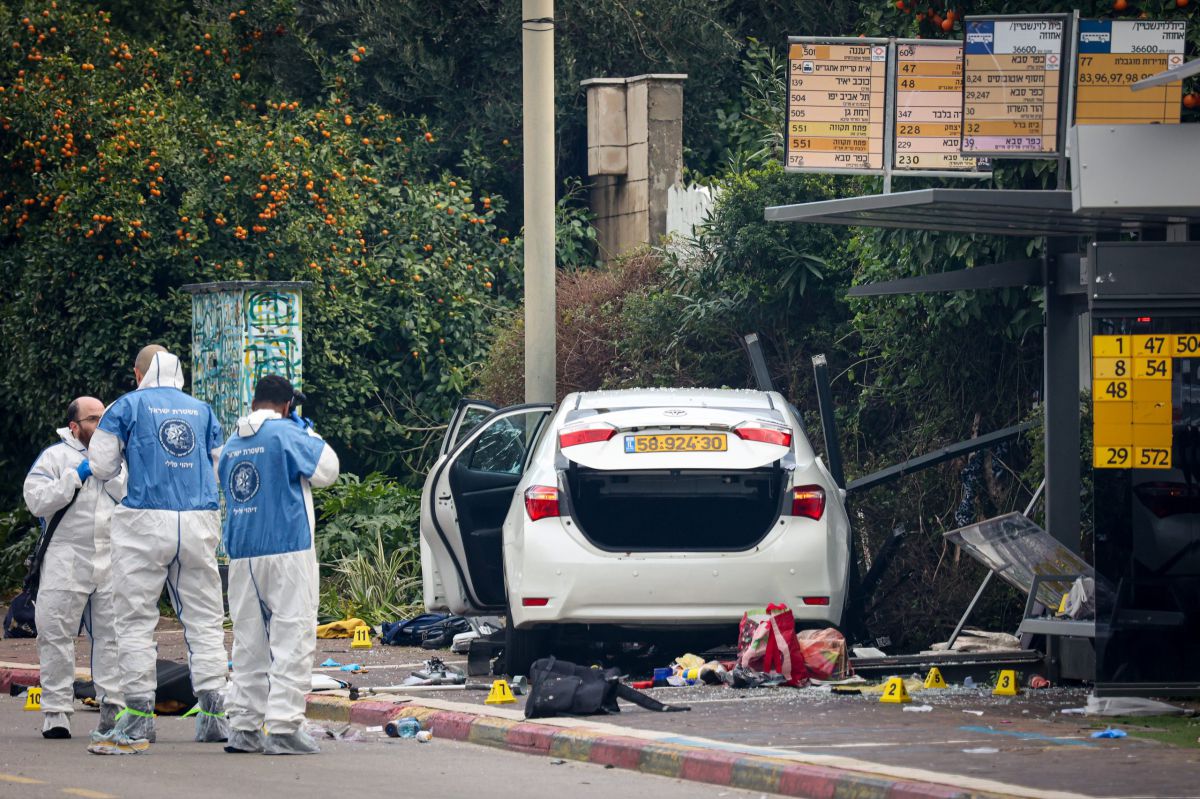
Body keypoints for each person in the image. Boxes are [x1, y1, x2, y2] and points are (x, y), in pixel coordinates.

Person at [86, 346, 230, 755]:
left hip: (144, 522)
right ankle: (214, 716)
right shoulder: (203, 410)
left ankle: (139, 720)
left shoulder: (125, 406)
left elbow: (101, 466)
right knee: (205, 619)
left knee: (134, 620)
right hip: (199, 520)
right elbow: (220, 466)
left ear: (138, 373)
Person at [218, 375, 339, 755]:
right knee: (293, 636)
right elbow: (327, 471)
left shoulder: (233, 443)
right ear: (287, 405)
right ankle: (284, 727)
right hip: (287, 548)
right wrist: (310, 435)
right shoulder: (287, 434)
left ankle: (243, 727)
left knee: (249, 643)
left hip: (242, 554)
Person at [23, 397, 127, 740]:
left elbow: (130, 496)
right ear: (74, 426)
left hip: (110, 556)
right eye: (93, 419)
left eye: (103, 418)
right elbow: (35, 500)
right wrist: (75, 476)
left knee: (111, 636)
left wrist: (106, 470)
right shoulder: (55, 457)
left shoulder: (117, 459)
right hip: (66, 557)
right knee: (55, 634)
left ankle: (113, 707)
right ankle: (56, 713)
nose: (100, 425)